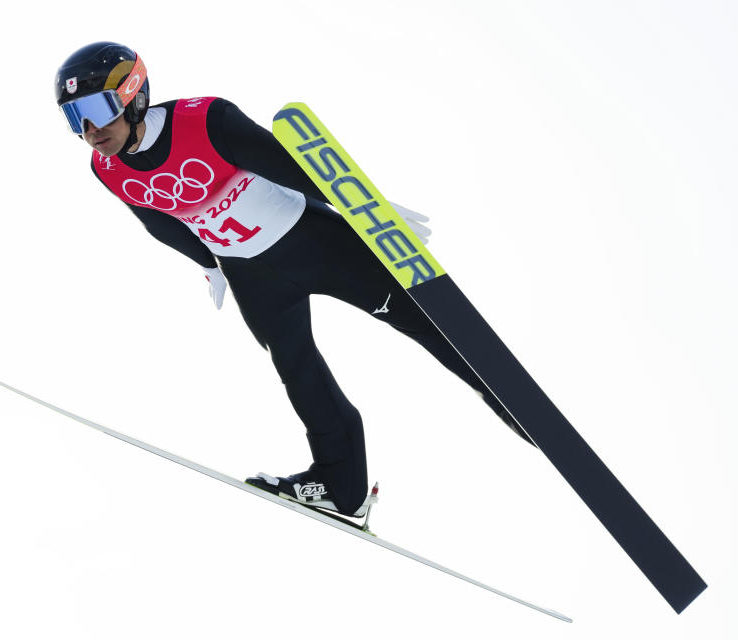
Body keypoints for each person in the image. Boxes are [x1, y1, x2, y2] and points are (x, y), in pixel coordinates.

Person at [55, 42, 531, 518]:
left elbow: (289, 164)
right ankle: (340, 483)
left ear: (134, 95)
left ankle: (513, 401)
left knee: (419, 321)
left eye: (97, 110)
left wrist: (368, 209)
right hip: (250, 274)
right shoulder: (107, 169)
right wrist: (207, 264)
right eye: (75, 118)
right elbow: (156, 219)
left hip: (312, 241)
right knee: (296, 369)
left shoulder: (204, 121)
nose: (91, 131)